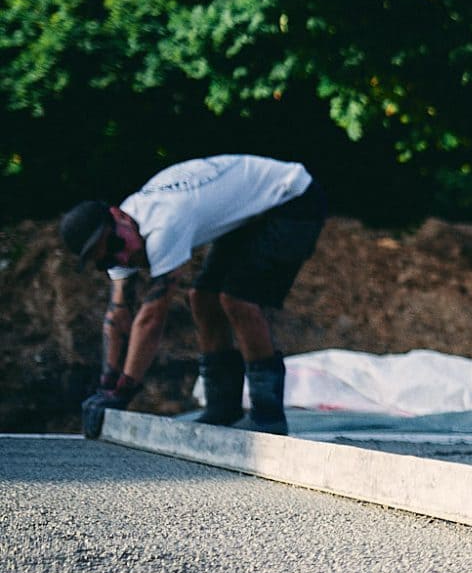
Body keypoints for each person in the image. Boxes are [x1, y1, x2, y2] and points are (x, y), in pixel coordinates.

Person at [60, 154, 328, 438]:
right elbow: (118, 314)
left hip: (294, 199)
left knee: (237, 299)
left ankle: (268, 415)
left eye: (116, 246)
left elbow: (151, 318)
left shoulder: (163, 224)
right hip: (253, 213)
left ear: (119, 215)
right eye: (106, 261)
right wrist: (106, 387)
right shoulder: (122, 234)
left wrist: (123, 391)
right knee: (202, 297)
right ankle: (223, 408)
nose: (123, 258)